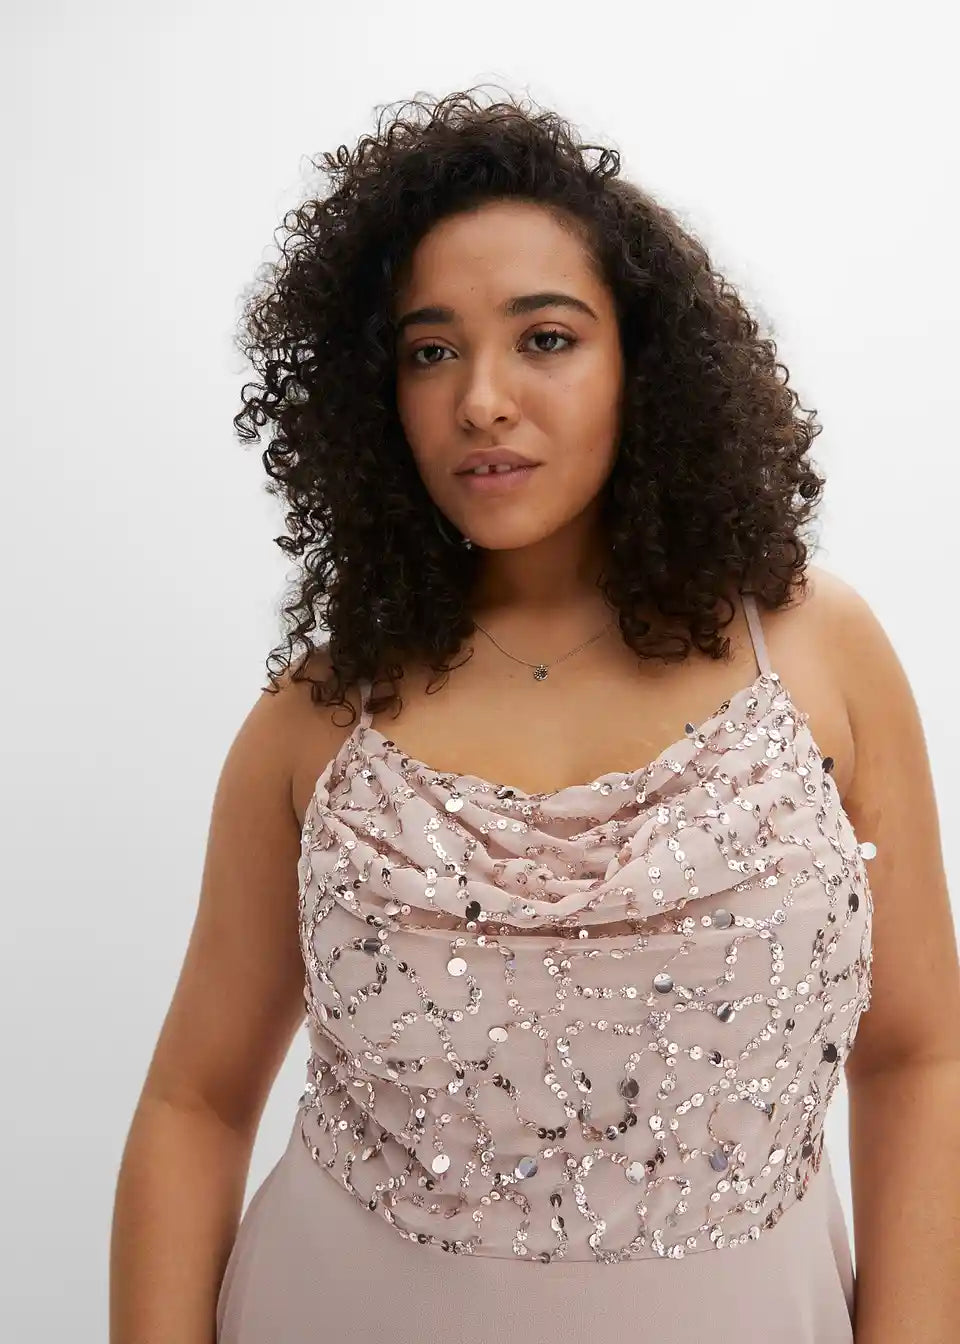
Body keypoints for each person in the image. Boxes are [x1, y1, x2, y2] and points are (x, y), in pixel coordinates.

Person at [110, 88, 960, 1344]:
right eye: (430, 351)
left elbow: (920, 1059)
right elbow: (195, 1102)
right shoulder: (317, 719)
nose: (482, 399)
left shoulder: (817, 652)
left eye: (546, 338)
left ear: (643, 366)